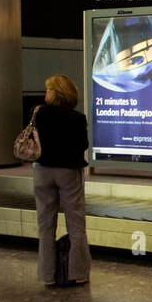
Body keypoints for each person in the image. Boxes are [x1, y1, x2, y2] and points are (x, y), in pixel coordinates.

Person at [32, 74, 92, 285]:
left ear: (55, 93)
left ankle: (47, 275)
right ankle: (79, 273)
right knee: (76, 224)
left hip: (43, 171)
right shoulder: (77, 118)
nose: (45, 93)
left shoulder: (39, 114)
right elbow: (83, 145)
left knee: (45, 225)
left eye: (48, 89)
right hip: (68, 172)